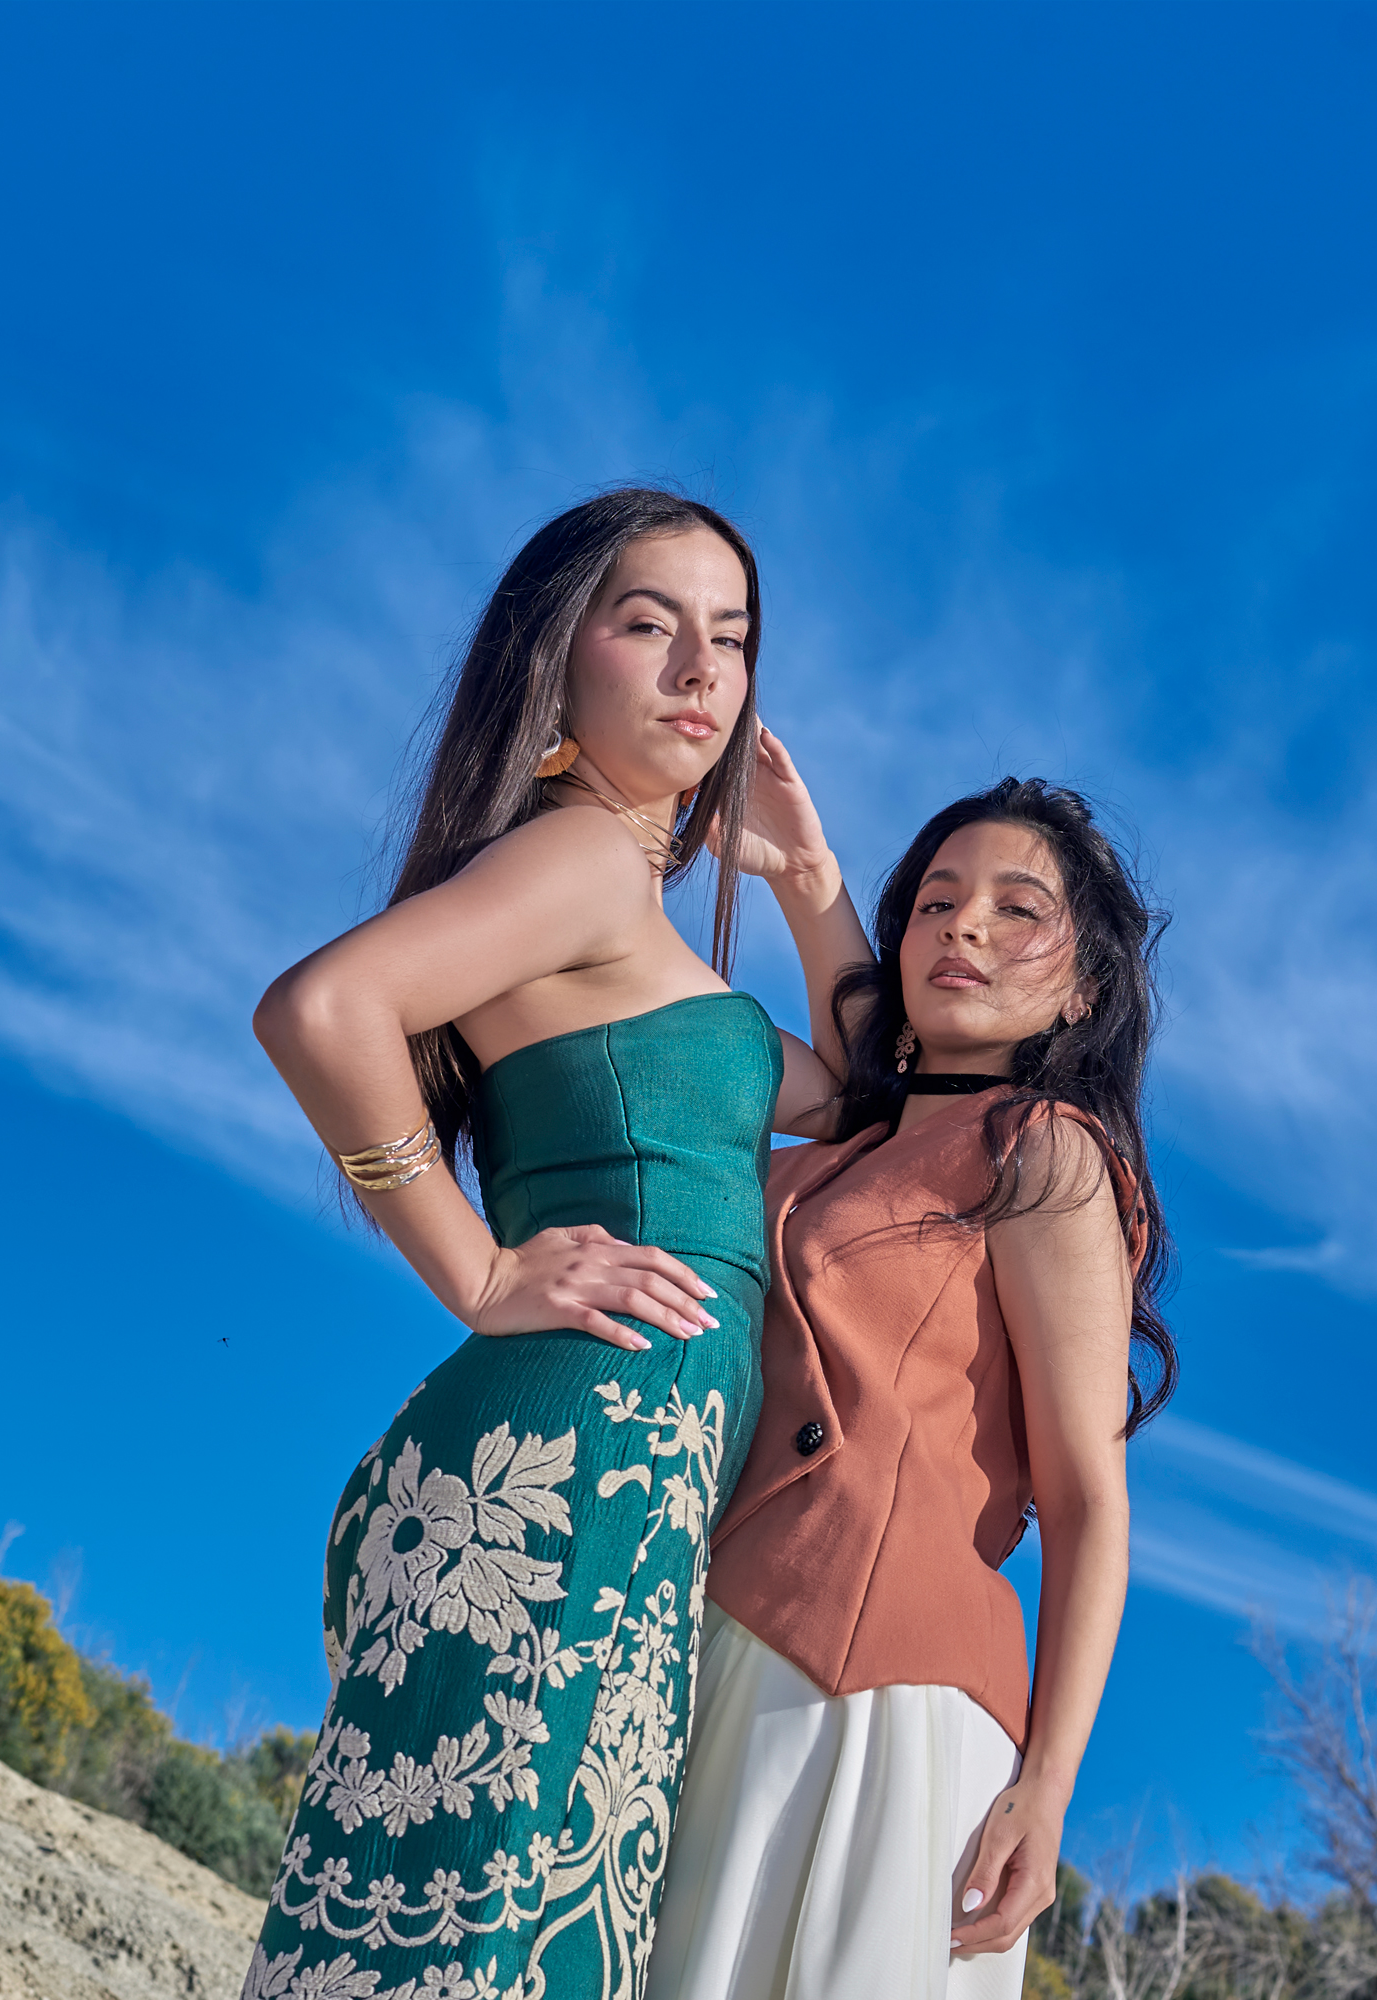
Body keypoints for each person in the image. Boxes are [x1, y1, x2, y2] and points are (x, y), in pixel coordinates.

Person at [241, 490, 865, 2000]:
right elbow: (322, 1009)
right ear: (556, 654)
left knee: (516, 1928)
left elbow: (859, 1103)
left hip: (632, 1478)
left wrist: (805, 881)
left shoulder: (634, 913)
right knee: (481, 1929)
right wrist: (474, 1269)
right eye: (649, 624)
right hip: (571, 1457)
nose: (701, 670)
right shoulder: (578, 856)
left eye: (732, 638)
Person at [646, 776, 1177, 2000]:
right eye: (936, 902)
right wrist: (804, 872)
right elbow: (867, 1067)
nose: (964, 925)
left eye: (1015, 908)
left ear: (1084, 986)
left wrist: (1047, 1784)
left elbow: (1087, 1500)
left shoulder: (1042, 1152)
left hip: (876, 1696)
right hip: (703, 1641)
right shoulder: (833, 1150)